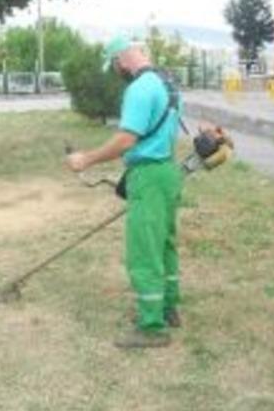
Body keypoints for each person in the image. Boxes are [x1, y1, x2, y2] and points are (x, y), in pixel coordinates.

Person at [65, 36, 183, 349]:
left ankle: (152, 327)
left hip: (148, 176)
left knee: (144, 251)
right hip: (168, 172)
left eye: (115, 66)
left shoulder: (139, 89)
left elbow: (126, 140)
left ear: (121, 60)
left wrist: (86, 159)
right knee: (165, 244)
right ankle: (168, 307)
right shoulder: (168, 83)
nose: (117, 71)